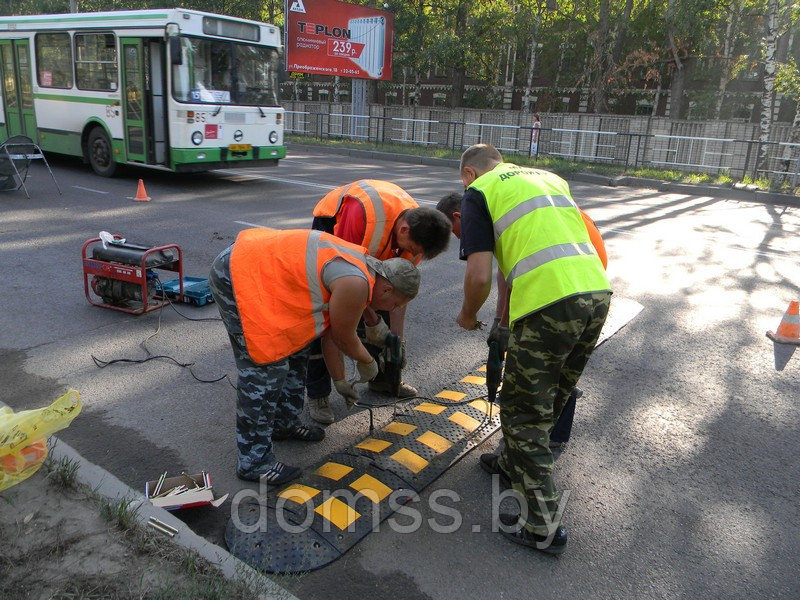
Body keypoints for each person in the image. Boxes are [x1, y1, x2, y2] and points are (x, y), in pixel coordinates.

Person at [446, 144, 611, 554]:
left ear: (469, 173)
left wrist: (469, 314)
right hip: (596, 294)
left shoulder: (479, 192)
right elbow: (518, 261)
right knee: (550, 396)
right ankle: (509, 461)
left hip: (549, 304)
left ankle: (543, 528)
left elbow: (480, 273)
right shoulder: (548, 178)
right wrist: (503, 320)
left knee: (522, 413)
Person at [209, 228, 420, 486]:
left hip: (267, 276)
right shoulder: (356, 283)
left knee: (298, 348)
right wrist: (368, 363)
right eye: (396, 304)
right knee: (265, 368)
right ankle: (254, 461)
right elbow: (344, 337)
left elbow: (329, 332)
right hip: (239, 273)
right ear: (387, 290)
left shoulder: (366, 270)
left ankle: (284, 423)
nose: (394, 310)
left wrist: (341, 380)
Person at [437, 189, 609, 451]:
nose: (458, 237)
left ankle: (524, 452)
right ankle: (552, 435)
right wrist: (500, 323)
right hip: (593, 282)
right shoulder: (517, 213)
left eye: (454, 230)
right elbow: (507, 274)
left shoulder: (492, 220)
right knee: (561, 364)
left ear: (460, 216)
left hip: (560, 287)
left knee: (537, 374)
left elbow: (505, 279)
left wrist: (496, 325)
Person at [306, 179, 451, 424]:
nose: (414, 255)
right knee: (327, 316)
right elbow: (347, 284)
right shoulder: (361, 217)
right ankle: (318, 393)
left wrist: (395, 339)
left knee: (384, 298)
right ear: (404, 231)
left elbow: (397, 297)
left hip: (374, 237)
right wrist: (370, 320)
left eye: (418, 254)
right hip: (334, 222)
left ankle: (384, 379)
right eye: (414, 249)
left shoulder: (418, 236)